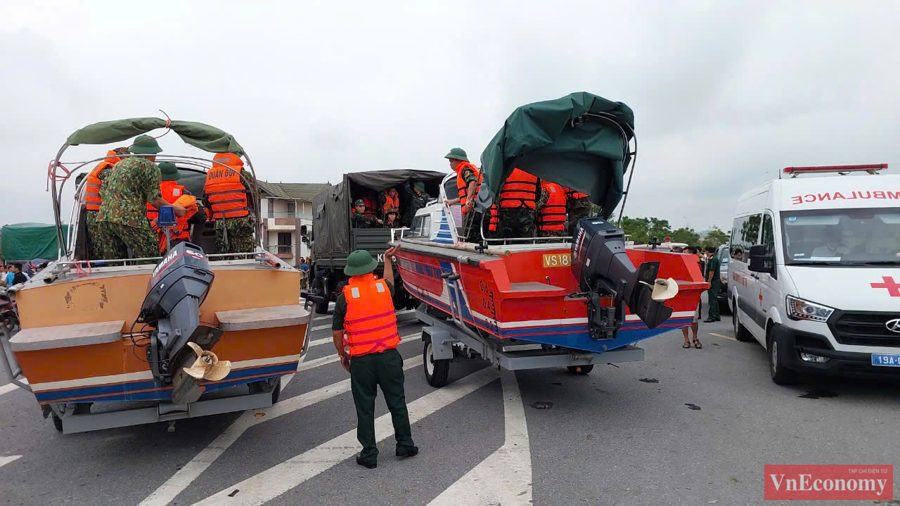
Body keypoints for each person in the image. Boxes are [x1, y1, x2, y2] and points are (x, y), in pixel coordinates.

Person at [331, 245, 417, 469]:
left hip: (362, 361)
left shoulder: (345, 298)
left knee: (365, 408)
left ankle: (369, 454)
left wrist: (343, 355)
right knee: (397, 402)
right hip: (389, 357)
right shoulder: (383, 289)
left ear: (350, 272)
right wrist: (388, 260)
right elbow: (388, 281)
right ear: (371, 268)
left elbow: (337, 333)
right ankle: (405, 444)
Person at [96, 135, 186, 260]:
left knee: (115, 264)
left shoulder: (118, 165)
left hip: (104, 218)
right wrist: (177, 210)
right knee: (150, 258)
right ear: (151, 153)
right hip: (129, 219)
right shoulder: (150, 167)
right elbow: (154, 200)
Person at [147, 162, 207, 253]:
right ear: (175, 176)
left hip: (151, 238)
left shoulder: (145, 193)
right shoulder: (184, 193)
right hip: (178, 241)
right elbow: (201, 217)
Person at [204, 152, 256, 254]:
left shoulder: (210, 176)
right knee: (243, 254)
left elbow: (205, 200)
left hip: (220, 222)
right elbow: (255, 195)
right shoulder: (242, 173)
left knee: (223, 253)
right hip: (241, 221)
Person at [84, 147, 128, 259]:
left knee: (100, 246)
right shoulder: (108, 170)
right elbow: (108, 194)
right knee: (105, 248)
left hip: (96, 213)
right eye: (127, 158)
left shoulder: (104, 166)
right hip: (99, 215)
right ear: (121, 157)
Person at [443, 148, 482, 237]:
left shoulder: (465, 170)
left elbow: (472, 181)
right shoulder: (465, 170)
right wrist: (452, 202)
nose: (450, 164)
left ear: (458, 160)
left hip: (473, 210)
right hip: (476, 208)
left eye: (451, 161)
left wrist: (468, 200)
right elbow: (464, 193)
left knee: (471, 238)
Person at [497, 168, 539, 238]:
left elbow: (496, 190)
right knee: (524, 243)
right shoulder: (534, 170)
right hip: (527, 212)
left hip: (507, 213)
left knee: (504, 242)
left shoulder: (505, 168)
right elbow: (538, 195)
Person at [682, 246, 702, 349]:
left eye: (686, 253)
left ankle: (695, 337)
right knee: (683, 318)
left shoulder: (697, 266)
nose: (683, 255)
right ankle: (686, 340)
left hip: (693, 295)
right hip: (682, 295)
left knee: (694, 319)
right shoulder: (679, 265)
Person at [704, 246, 721, 323]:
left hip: (713, 281)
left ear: (707, 251)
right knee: (714, 298)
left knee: (712, 299)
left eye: (706, 251)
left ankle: (712, 316)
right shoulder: (714, 258)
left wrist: (709, 281)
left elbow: (711, 271)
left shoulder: (713, 259)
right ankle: (717, 315)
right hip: (715, 280)